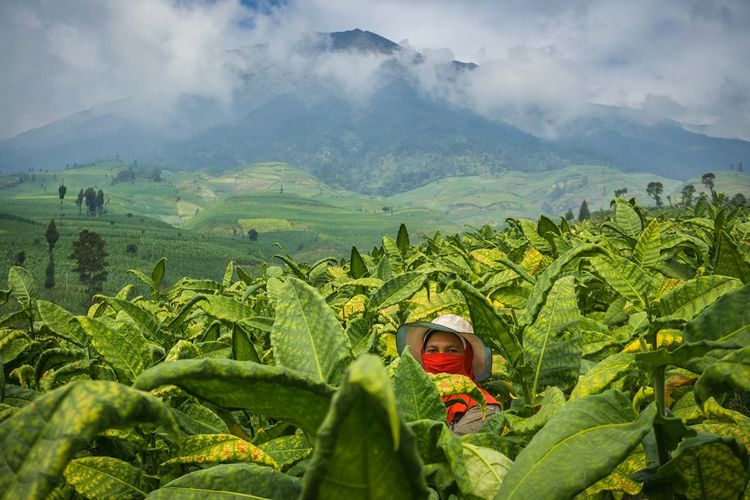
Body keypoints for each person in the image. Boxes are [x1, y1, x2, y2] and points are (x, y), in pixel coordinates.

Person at [396, 314, 501, 435]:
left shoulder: (484, 408)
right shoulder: (406, 396)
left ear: (467, 357)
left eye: (451, 351)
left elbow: (455, 450)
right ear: (423, 355)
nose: (441, 358)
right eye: (433, 351)